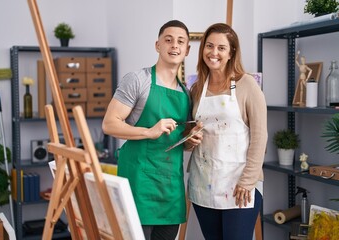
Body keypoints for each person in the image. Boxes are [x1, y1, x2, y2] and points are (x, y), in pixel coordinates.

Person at [102, 20, 202, 240]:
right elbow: (109, 123)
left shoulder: (186, 94)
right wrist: (148, 131)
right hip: (140, 185)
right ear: (157, 45)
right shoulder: (138, 80)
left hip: (170, 189)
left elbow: (176, 141)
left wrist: (189, 141)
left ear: (187, 49)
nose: (174, 45)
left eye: (180, 41)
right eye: (168, 40)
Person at [186, 23, 268, 240]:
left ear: (231, 52)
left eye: (221, 48)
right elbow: (187, 136)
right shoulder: (196, 88)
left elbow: (260, 136)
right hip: (204, 184)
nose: (214, 53)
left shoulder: (247, 85)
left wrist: (248, 180)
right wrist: (190, 139)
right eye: (209, 46)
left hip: (239, 185)